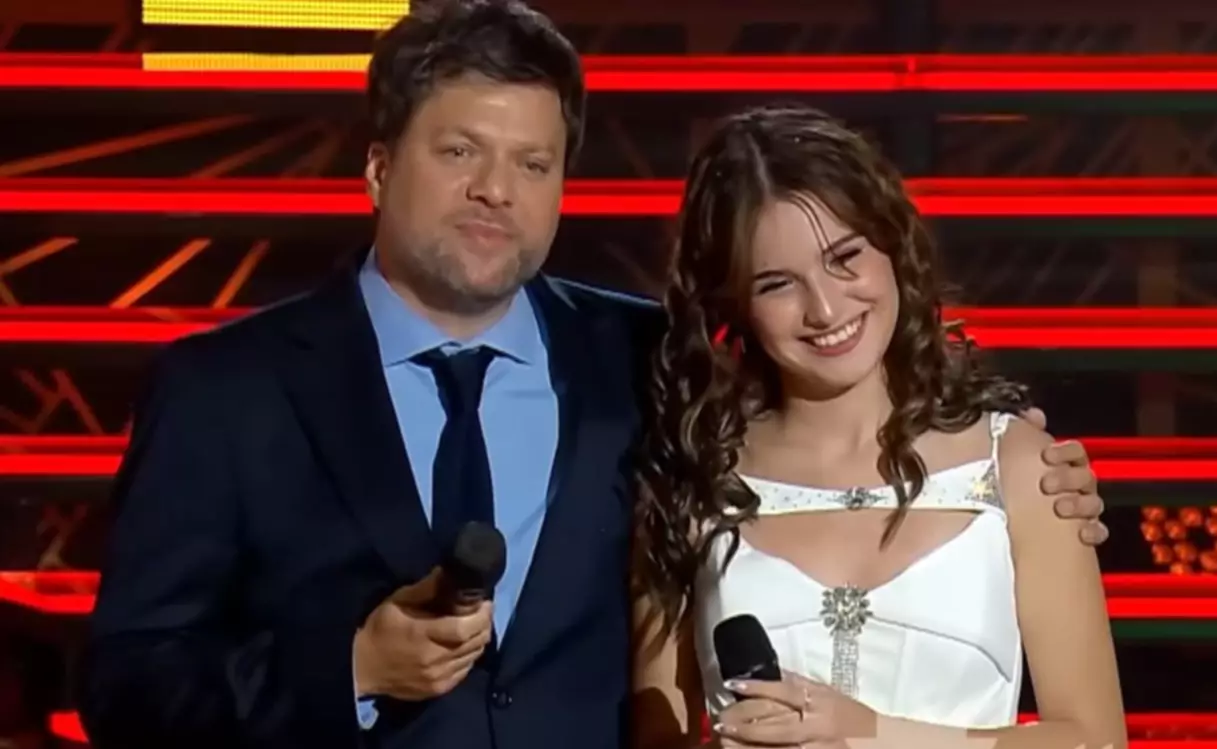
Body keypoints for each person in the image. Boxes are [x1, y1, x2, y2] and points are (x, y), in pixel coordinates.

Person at [78, 3, 1109, 749]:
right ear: (380, 165)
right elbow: (127, 686)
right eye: (461, 152)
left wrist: (1030, 467)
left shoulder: (648, 364)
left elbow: (840, 395)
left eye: (532, 163)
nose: (496, 190)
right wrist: (348, 668)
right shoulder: (225, 392)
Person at [630, 105, 1126, 749]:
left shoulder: (1022, 468)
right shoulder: (691, 480)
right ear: (734, 305)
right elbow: (656, 736)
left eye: (845, 257)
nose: (825, 308)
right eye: (778, 284)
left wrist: (870, 735)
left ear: (893, 245)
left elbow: (1096, 740)